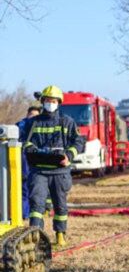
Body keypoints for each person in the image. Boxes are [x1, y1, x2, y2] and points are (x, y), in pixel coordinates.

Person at [21, 85, 83, 246]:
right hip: (38, 171)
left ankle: (60, 234)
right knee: (36, 204)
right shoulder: (32, 123)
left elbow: (78, 142)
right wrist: (32, 150)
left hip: (60, 171)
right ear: (42, 102)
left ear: (59, 102)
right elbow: (23, 141)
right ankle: (35, 237)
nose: (50, 103)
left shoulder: (67, 122)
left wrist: (68, 156)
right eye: (48, 100)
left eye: (53, 101)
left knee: (60, 205)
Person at [17, 106, 41, 219]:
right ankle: (24, 214)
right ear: (27, 115)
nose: (33, 117)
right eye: (31, 115)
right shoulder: (21, 126)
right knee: (24, 189)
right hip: (22, 160)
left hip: (35, 161)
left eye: (35, 115)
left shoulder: (40, 127)